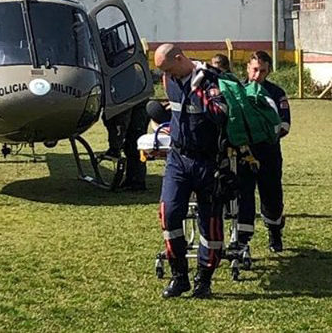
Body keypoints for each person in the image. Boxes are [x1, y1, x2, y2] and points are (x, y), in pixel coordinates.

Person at [154, 43, 228, 299]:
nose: (167, 75)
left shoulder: (209, 80)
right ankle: (180, 277)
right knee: (169, 213)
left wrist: (199, 92)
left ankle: (204, 280)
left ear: (179, 57)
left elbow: (221, 113)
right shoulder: (169, 79)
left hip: (208, 162)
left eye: (168, 68)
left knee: (210, 223)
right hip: (178, 158)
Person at [237, 50, 291, 253]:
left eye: (262, 71)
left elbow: (285, 125)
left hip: (268, 153)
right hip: (243, 154)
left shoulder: (276, 93)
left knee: (272, 196)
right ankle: (242, 241)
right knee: (243, 196)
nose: (257, 75)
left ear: (268, 71)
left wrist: (263, 132)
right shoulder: (238, 91)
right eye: (254, 70)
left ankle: (275, 233)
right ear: (247, 69)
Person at [102, 100, 149, 190]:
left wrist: (115, 146)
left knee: (133, 140)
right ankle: (136, 180)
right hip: (141, 95)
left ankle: (135, 180)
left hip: (124, 98)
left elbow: (119, 123)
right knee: (137, 139)